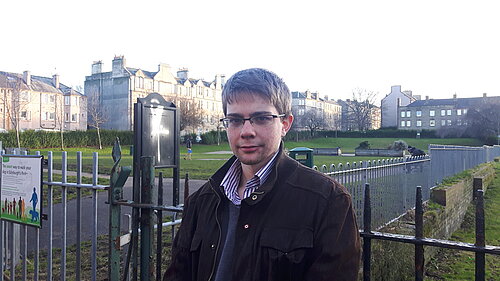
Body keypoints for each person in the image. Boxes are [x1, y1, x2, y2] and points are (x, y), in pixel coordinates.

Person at [163, 68, 361, 281]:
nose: (246, 131)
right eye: (235, 120)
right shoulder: (201, 202)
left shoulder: (328, 201)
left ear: (285, 124)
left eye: (261, 118)